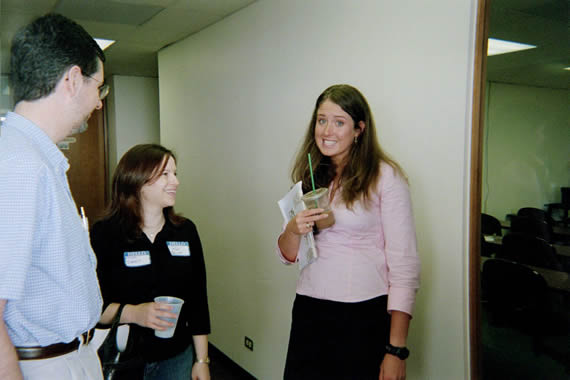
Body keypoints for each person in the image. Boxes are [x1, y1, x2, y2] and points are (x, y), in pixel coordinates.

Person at [277, 84, 421, 380]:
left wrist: (396, 349)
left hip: (361, 315)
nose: (327, 130)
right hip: (309, 309)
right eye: (321, 120)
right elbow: (288, 254)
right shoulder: (310, 177)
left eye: (339, 122)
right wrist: (293, 228)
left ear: (359, 129)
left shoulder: (385, 177)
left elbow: (404, 266)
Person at [0, 13, 108, 380]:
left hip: (69, 357)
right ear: (74, 80)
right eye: (99, 88)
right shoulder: (18, 162)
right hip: (45, 366)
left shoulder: (35, 158)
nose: (98, 104)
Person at [90, 144, 211, 380]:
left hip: (176, 358)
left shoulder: (185, 231)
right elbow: (92, 307)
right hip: (122, 360)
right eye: (165, 174)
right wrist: (134, 313)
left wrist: (201, 360)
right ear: (137, 180)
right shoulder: (105, 234)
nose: (175, 181)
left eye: (175, 174)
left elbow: (198, 300)